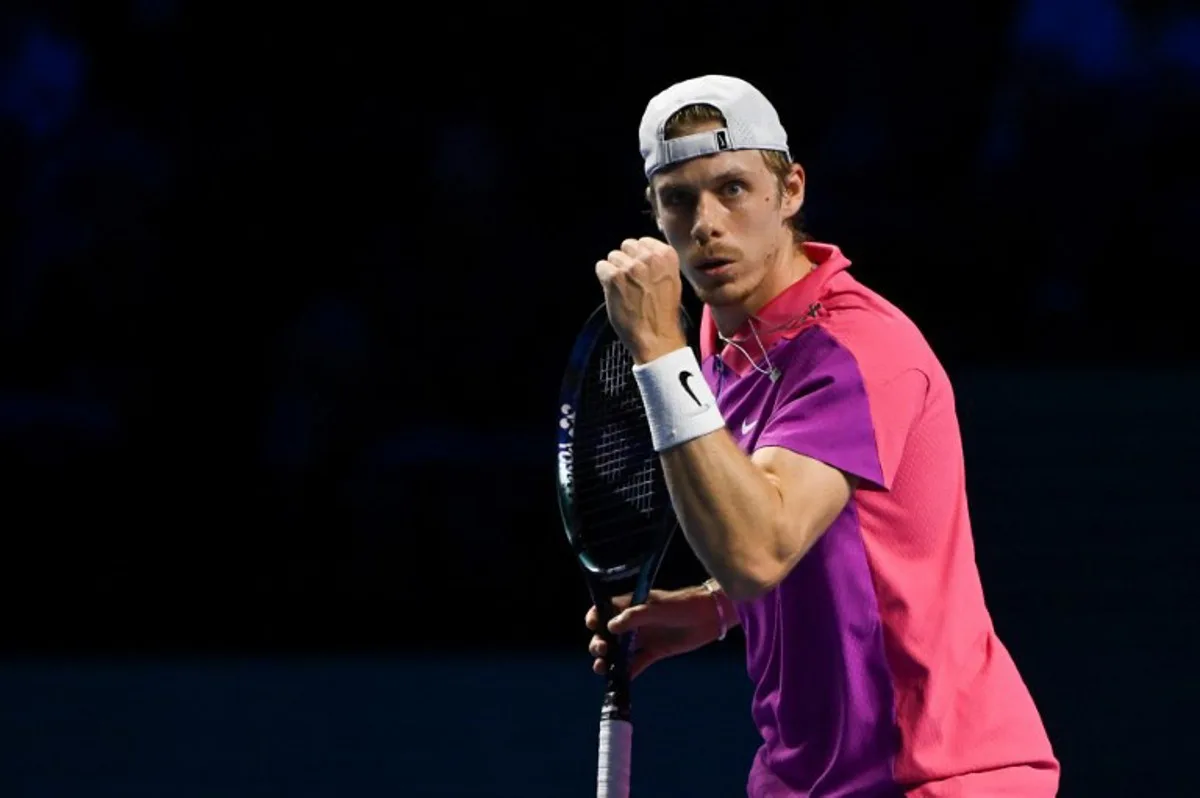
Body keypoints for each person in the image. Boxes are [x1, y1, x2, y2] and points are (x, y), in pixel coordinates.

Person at [585, 75, 1060, 797]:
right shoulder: (721, 336)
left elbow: (758, 547)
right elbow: (806, 530)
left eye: (733, 189)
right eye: (679, 199)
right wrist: (719, 606)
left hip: (934, 775)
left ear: (791, 190)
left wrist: (656, 349)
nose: (707, 223)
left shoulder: (857, 348)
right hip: (802, 775)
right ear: (654, 212)